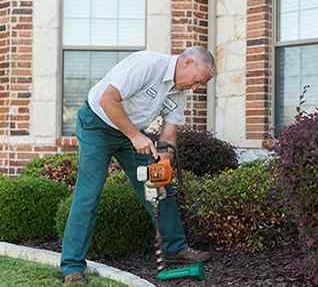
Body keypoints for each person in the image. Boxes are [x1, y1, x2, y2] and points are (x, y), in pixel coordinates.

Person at [61, 46, 215, 285]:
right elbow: (108, 99)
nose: (195, 88)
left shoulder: (178, 91)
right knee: (88, 194)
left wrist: (164, 162)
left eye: (200, 85)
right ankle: (72, 266)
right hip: (97, 124)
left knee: (160, 186)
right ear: (186, 63)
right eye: (196, 81)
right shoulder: (147, 64)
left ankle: (175, 248)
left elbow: (169, 133)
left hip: (130, 131)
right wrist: (135, 136)